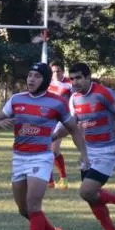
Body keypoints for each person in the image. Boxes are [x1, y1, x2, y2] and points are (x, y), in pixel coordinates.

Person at [0, 62, 88, 230]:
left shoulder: (57, 103)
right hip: (19, 158)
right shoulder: (16, 99)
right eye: (30, 75)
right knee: (23, 209)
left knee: (34, 205)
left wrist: (84, 155)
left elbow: (74, 129)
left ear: (44, 80)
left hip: (41, 158)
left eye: (36, 76)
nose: (31, 79)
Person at [55, 62, 115, 230]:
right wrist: (50, 137)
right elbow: (71, 126)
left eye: (79, 78)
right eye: (72, 78)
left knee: (86, 191)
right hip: (88, 152)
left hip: (107, 151)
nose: (75, 82)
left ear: (88, 77)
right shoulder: (74, 98)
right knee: (92, 196)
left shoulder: (103, 93)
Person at [47, 60, 73, 189]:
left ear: (63, 71)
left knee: (52, 149)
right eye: (53, 71)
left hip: (62, 120)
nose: (56, 74)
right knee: (51, 150)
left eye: (58, 71)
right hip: (48, 119)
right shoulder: (47, 83)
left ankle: (58, 179)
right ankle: (53, 180)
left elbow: (76, 99)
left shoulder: (70, 83)